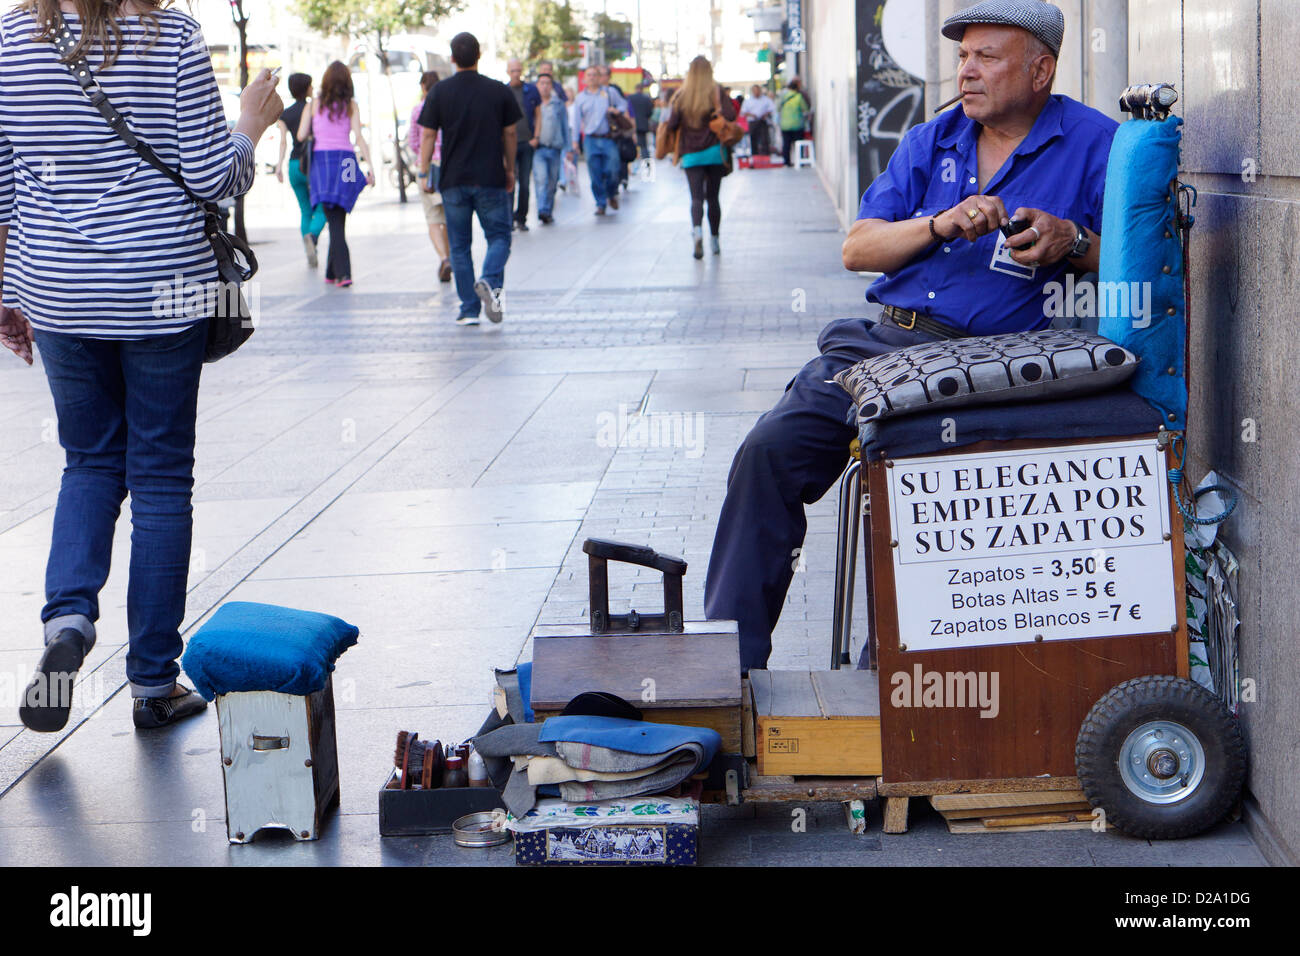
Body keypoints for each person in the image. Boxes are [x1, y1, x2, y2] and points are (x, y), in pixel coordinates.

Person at [703, 0, 1114, 672]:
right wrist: (940, 224)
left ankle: (889, 692)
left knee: (913, 493)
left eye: (987, 57)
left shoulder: (1096, 144)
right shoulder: (932, 139)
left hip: (990, 365)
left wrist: (1076, 241)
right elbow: (858, 247)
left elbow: (1148, 259)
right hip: (882, 345)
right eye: (962, 57)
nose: (967, 72)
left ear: (1040, 70)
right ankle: (730, 668)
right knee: (768, 451)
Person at [0, 0, 282, 730]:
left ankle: (67, 623)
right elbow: (215, 179)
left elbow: (4, 185)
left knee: (88, 462)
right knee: (159, 478)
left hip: (60, 291)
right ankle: (154, 684)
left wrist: (8, 293)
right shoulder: (172, 35)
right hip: (165, 287)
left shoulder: (9, 39)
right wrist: (251, 122)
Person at [418, 32, 521, 326]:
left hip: (453, 179)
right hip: (490, 176)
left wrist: (424, 171)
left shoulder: (440, 92)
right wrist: (510, 168)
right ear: (479, 55)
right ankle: (489, 281)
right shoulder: (497, 90)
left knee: (460, 246)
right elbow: (511, 133)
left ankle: (468, 309)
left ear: (452, 58)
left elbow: (427, 134)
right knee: (500, 236)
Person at [298, 60, 376, 287]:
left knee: (335, 217)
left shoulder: (314, 104)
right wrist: (370, 166)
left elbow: (302, 135)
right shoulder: (351, 104)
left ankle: (336, 272)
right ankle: (340, 273)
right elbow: (359, 137)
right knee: (338, 215)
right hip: (346, 162)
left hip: (322, 164)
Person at [663, 56, 736, 259]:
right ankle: (715, 239)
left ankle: (697, 232)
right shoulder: (716, 92)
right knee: (713, 198)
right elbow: (731, 116)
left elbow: (672, 124)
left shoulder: (682, 95)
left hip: (691, 154)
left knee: (696, 198)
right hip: (714, 152)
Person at [274, 72, 326, 268]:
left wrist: (279, 165)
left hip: (294, 165)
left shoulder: (285, 114)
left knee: (305, 210)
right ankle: (312, 238)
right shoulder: (314, 108)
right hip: (313, 163)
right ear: (307, 88)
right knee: (321, 208)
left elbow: (283, 142)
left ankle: (309, 251)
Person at [410, 71, 452, 281]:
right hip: (448, 165)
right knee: (449, 218)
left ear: (423, 88)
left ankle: (444, 258)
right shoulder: (448, 106)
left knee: (433, 218)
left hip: (427, 166)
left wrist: (423, 168)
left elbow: (415, 142)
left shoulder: (418, 109)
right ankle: (449, 257)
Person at [572, 64, 627, 215]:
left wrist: (617, 110)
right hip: (590, 139)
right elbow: (576, 121)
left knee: (613, 169)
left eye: (594, 75)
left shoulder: (609, 92)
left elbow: (623, 104)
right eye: (588, 75)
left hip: (608, 138)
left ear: (599, 77)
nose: (592, 78)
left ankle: (611, 193)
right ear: (585, 79)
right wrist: (575, 142)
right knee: (594, 172)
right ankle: (600, 203)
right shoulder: (580, 98)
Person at [532, 73, 572, 225]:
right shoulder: (534, 103)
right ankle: (542, 209)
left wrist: (568, 148)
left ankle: (548, 210)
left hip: (555, 148)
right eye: (542, 83)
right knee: (541, 179)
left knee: (552, 182)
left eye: (548, 83)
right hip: (539, 149)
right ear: (537, 85)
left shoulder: (558, 104)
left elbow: (565, 126)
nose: (545, 86)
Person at [506, 58, 540, 231]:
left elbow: (538, 114)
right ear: (508, 72)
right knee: (509, 181)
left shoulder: (530, 90)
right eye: (513, 71)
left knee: (525, 183)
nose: (516, 74)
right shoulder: (504, 91)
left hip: (527, 142)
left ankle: (522, 217)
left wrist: (536, 137)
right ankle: (509, 217)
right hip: (509, 145)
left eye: (518, 70)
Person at [778, 77, 810, 166]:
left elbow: (777, 108)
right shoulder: (799, 97)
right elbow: (805, 109)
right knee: (798, 143)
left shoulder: (783, 97)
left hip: (785, 124)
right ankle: (800, 161)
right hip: (797, 124)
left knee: (786, 144)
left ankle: (786, 162)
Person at [741, 83, 775, 157]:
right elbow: (743, 112)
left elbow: (772, 108)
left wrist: (765, 114)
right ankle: (755, 156)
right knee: (753, 139)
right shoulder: (748, 101)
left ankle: (765, 155)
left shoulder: (766, 99)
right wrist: (752, 115)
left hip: (763, 121)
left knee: (764, 139)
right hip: (753, 121)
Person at [626, 81, 655, 167]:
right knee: (643, 145)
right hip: (643, 124)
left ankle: (633, 163)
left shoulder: (630, 98)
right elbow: (650, 112)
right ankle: (646, 162)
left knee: (632, 144)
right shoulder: (646, 99)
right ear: (642, 89)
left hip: (631, 124)